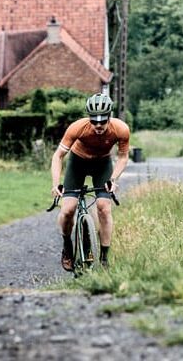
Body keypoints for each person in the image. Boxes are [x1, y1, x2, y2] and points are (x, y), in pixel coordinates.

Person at [49, 92, 131, 270]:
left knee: (104, 207)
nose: (98, 125)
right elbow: (58, 156)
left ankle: (104, 258)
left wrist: (113, 179)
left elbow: (123, 157)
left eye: (102, 121)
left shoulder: (121, 129)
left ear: (109, 116)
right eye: (94, 121)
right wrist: (55, 184)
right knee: (68, 210)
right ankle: (67, 246)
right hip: (78, 163)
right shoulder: (77, 127)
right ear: (89, 118)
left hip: (102, 164)